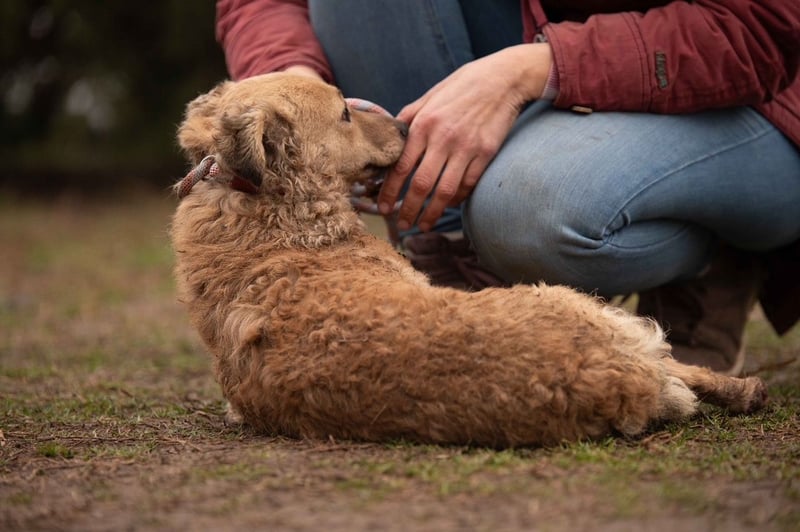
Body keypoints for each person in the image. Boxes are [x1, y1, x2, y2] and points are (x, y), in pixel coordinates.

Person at [215, 0, 800, 376]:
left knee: (527, 210)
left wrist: (530, 70)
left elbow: (761, 28)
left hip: (752, 98)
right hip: (549, 73)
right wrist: (296, 88)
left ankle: (714, 255)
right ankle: (451, 261)